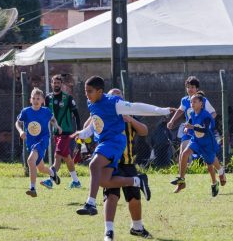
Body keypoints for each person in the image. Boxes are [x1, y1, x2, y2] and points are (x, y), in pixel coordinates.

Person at [73, 77, 172, 216]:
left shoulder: (113, 103)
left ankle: (90, 204)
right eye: (85, 91)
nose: (86, 94)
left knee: (94, 165)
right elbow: (95, 123)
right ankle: (137, 180)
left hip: (114, 142)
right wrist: (83, 133)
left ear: (100, 91)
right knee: (104, 181)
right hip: (105, 142)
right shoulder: (91, 102)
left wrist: (162, 110)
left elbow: (137, 107)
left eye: (90, 91)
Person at [101, 88, 152, 241]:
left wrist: (130, 119)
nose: (117, 100)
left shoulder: (129, 115)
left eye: (119, 97)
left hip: (128, 163)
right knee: (111, 196)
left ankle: (137, 227)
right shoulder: (104, 115)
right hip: (111, 162)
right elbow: (89, 125)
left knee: (135, 197)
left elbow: (144, 131)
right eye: (113, 97)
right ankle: (109, 231)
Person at [173, 93, 226, 196]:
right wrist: (187, 127)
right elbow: (190, 120)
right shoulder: (192, 113)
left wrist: (192, 127)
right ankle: (181, 179)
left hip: (207, 143)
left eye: (194, 101)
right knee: (184, 153)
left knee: (209, 165)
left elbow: (205, 130)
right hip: (196, 140)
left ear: (201, 103)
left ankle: (215, 182)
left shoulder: (206, 115)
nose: (192, 103)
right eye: (191, 102)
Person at [167, 76, 216, 185]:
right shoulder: (185, 100)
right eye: (188, 87)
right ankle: (181, 179)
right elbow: (180, 111)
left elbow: (213, 113)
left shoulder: (203, 100)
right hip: (189, 132)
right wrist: (172, 121)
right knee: (183, 153)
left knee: (210, 160)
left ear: (197, 89)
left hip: (202, 134)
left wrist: (205, 125)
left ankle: (220, 174)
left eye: (193, 87)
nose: (190, 89)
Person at [15, 88, 62, 197]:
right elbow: (18, 123)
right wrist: (21, 131)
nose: (35, 100)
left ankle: (32, 188)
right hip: (31, 142)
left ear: (42, 100)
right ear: (30, 100)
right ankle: (52, 173)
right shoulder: (26, 111)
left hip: (43, 140)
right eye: (33, 98)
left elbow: (52, 119)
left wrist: (57, 126)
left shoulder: (46, 111)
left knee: (30, 160)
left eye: (38, 98)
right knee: (41, 168)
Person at [45, 74, 82, 188]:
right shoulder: (48, 98)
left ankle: (50, 181)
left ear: (61, 84)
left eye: (58, 82)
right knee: (67, 158)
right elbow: (46, 115)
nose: (56, 84)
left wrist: (79, 131)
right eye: (54, 82)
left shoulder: (68, 98)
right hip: (56, 132)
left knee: (57, 155)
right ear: (51, 84)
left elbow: (76, 115)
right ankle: (76, 181)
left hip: (66, 132)